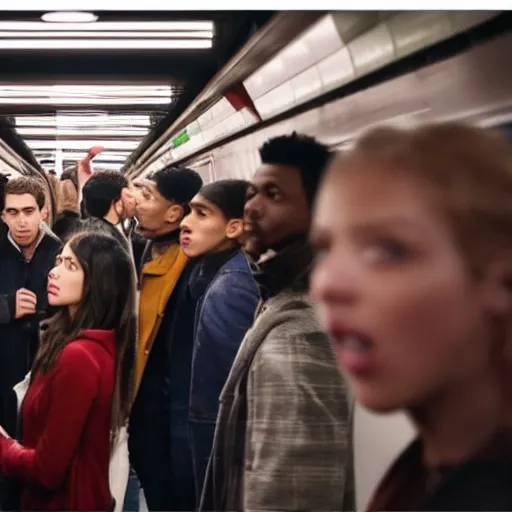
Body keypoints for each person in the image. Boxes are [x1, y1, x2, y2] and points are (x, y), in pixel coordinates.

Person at [310, 122, 512, 511]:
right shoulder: (428, 472)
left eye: (388, 251)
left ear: (502, 281)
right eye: (326, 248)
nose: (326, 285)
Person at [200, 133, 353, 511]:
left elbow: (294, 493)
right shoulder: (278, 296)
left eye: (275, 195)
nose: (252, 207)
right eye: (252, 192)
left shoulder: (301, 338)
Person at [0, 231, 137, 511]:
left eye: (70, 266)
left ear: (99, 282)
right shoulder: (90, 342)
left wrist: (4, 447)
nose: (54, 272)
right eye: (59, 261)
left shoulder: (80, 356)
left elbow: (46, 470)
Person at [179, 179, 259, 501]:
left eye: (201, 213)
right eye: (188, 211)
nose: (185, 222)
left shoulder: (230, 288)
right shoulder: (217, 273)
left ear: (234, 228)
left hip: (219, 440)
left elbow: (236, 392)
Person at [128, 166, 203, 511]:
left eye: (147, 196)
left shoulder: (187, 267)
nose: (137, 202)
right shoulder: (146, 244)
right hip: (146, 404)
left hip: (164, 411)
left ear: (174, 212)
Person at [0, 177, 62, 438]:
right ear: (3, 215)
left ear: (43, 213)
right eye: (12, 212)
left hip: (48, 371)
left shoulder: (64, 252)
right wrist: (5, 307)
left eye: (29, 211)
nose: (21, 221)